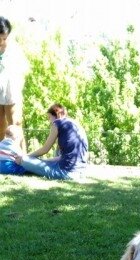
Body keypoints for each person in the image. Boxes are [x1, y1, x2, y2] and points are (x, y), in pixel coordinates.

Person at [15, 103, 88, 180]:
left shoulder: (57, 123)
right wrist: (42, 161)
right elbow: (62, 157)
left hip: (66, 173)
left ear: (56, 115)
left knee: (24, 161)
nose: (49, 121)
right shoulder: (74, 123)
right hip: (81, 172)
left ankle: (23, 161)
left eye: (49, 117)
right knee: (39, 161)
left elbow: (45, 149)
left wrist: (25, 157)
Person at [0, 16, 28, 150]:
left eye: (4, 38)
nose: (2, 41)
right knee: (0, 128)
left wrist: (17, 91)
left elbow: (23, 70)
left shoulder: (15, 50)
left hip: (12, 93)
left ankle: (24, 160)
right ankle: (2, 159)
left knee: (16, 126)